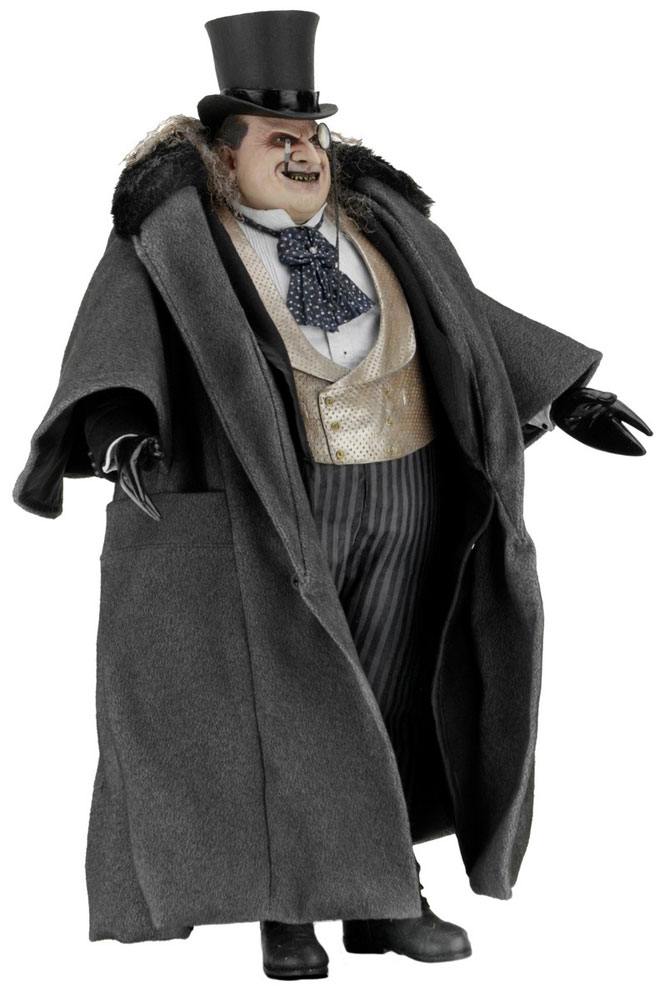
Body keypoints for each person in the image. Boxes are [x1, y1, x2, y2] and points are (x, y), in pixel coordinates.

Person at [13, 9, 652, 982]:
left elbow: (465, 318)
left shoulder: (379, 228)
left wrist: (564, 393)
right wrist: (116, 431)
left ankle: (386, 897)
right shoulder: (183, 247)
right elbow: (118, 338)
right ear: (223, 155)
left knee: (393, 696)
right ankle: (289, 906)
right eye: (279, 139)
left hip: (408, 495)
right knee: (291, 704)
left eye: (311, 135)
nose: (304, 153)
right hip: (276, 508)